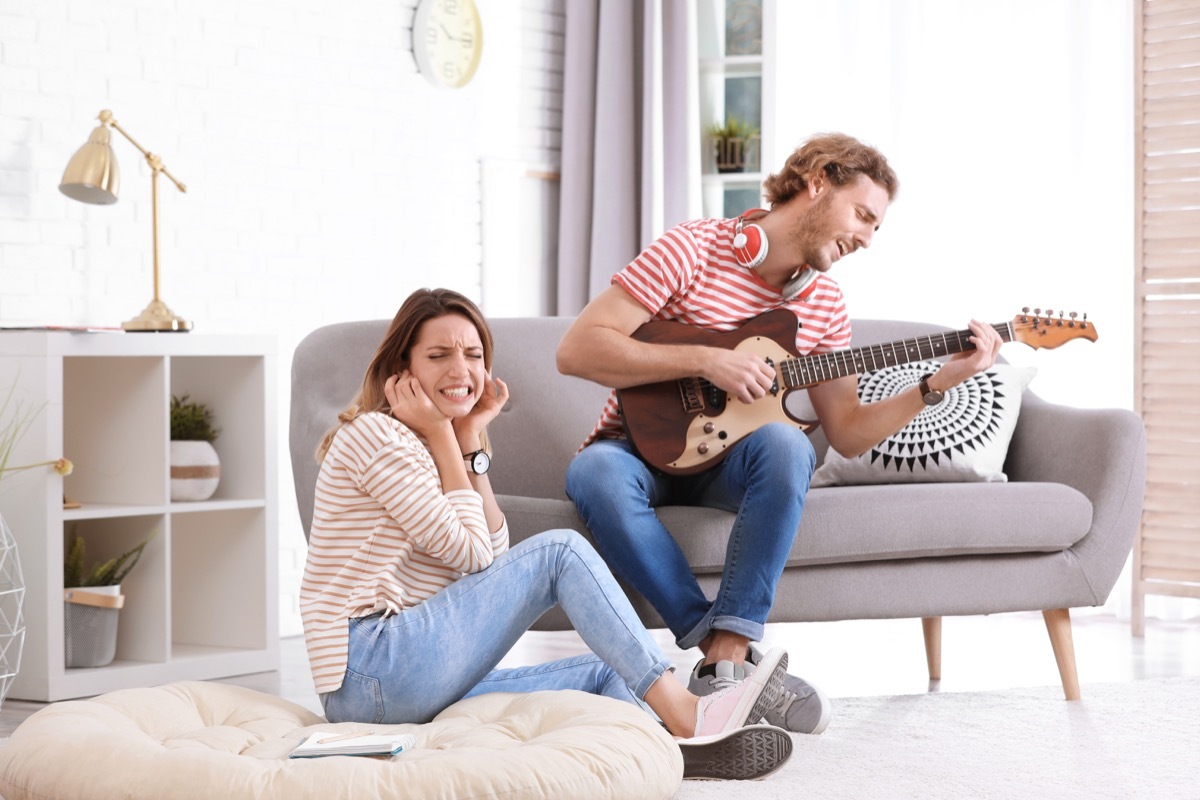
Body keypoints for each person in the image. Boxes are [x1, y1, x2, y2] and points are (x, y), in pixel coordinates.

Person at [556, 132, 1003, 736]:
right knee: (593, 473)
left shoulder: (824, 305)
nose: (867, 238)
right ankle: (725, 658)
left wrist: (937, 384)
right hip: (634, 452)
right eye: (863, 215)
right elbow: (578, 349)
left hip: (728, 466)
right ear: (817, 181)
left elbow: (845, 433)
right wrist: (705, 362)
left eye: (877, 228)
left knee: (789, 444)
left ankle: (727, 654)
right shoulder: (693, 247)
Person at [299, 287, 796, 781]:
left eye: (473, 354)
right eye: (438, 355)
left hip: (405, 675)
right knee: (560, 551)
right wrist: (444, 436)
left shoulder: (435, 443)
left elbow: (491, 554)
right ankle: (691, 715)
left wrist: (468, 440)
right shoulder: (378, 436)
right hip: (373, 668)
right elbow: (473, 556)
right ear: (401, 371)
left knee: (609, 674)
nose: (461, 370)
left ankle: (674, 749)